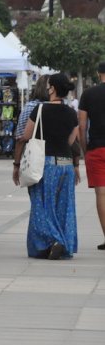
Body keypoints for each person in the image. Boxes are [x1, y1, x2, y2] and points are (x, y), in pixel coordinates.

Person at [14, 73, 80, 260]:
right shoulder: (71, 113)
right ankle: (62, 243)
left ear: (51, 88)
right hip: (65, 165)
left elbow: (26, 136)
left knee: (41, 205)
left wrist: (17, 164)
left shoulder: (40, 110)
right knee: (64, 207)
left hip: (44, 164)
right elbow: (70, 140)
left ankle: (53, 240)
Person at [78, 62, 105, 250]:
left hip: (96, 148)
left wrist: (84, 148)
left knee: (101, 193)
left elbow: (81, 125)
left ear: (98, 73)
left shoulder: (88, 94)